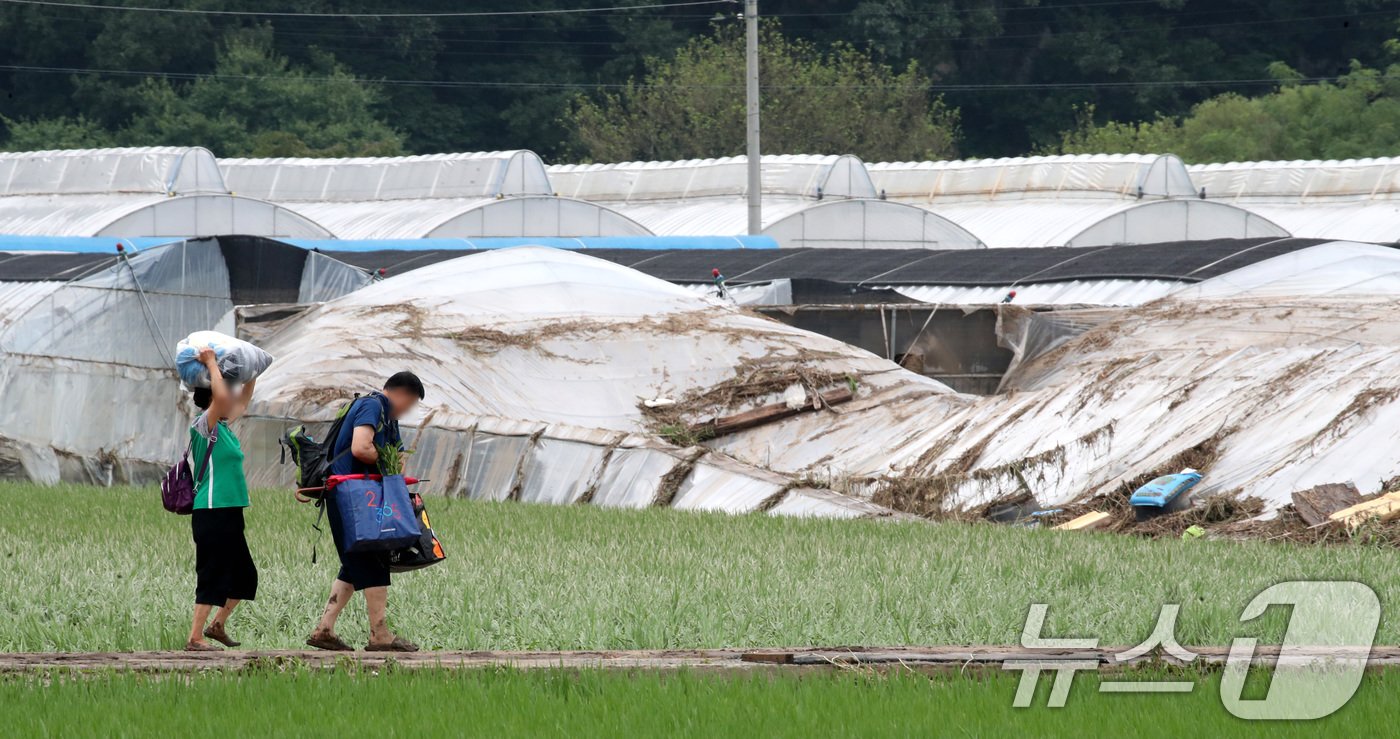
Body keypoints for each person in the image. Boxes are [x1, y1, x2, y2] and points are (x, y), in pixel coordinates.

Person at [307, 371, 425, 652]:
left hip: (360, 499)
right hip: (349, 498)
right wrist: (385, 460)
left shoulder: (389, 419)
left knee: (354, 563)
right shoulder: (373, 406)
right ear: (402, 395)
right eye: (410, 404)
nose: (408, 410)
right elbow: (361, 447)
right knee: (372, 561)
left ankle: (324, 630)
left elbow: (398, 458)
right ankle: (379, 634)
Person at [185, 347, 258, 651]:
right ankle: (195, 637)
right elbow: (225, 399)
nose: (231, 398)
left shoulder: (224, 428)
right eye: (223, 393)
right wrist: (212, 363)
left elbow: (242, 398)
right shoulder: (205, 425)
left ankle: (217, 625)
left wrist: (251, 369)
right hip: (212, 511)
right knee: (212, 572)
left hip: (230, 512)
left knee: (245, 577)